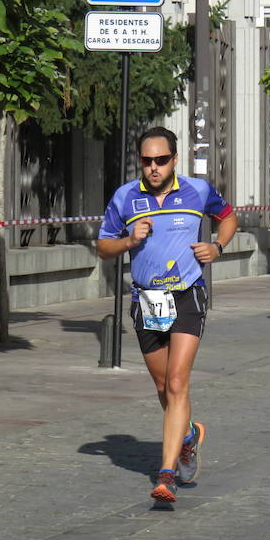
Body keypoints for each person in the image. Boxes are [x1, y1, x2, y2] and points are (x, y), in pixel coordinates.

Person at [96, 126, 238, 504]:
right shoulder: (125, 197)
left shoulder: (198, 190)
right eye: (146, 161)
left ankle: (166, 473)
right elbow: (103, 246)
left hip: (187, 295)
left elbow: (229, 218)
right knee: (163, 389)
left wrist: (217, 247)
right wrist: (129, 241)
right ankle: (189, 435)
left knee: (177, 384)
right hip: (147, 301)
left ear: (175, 160)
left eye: (161, 160)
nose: (153, 167)